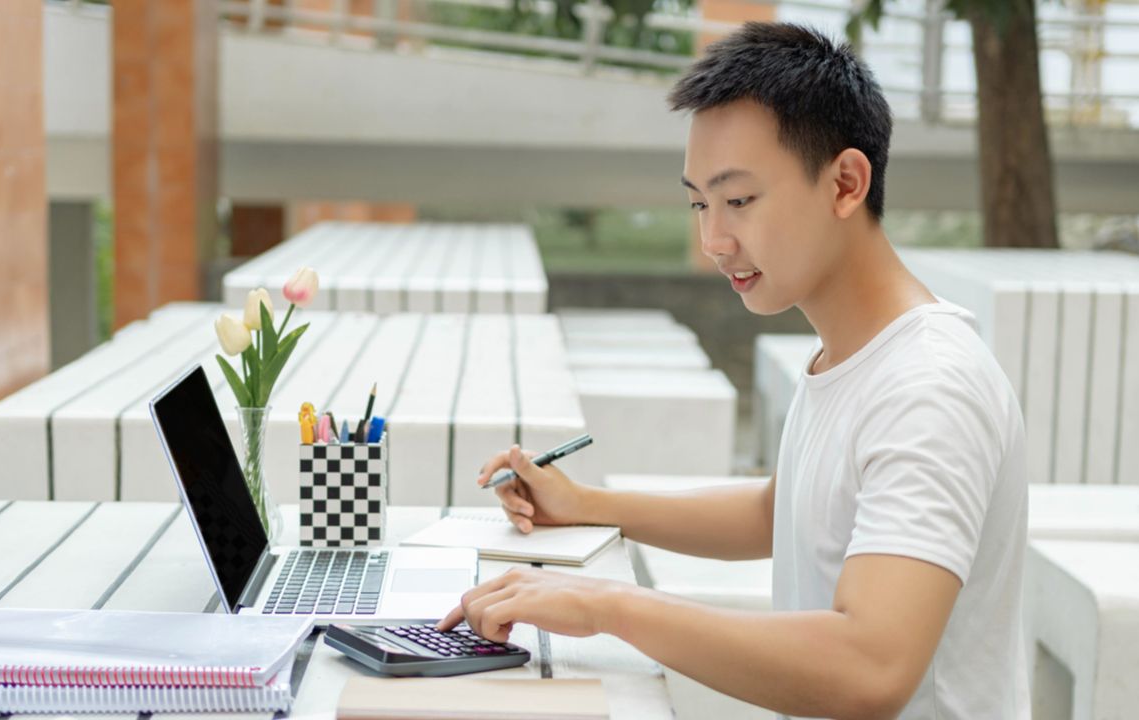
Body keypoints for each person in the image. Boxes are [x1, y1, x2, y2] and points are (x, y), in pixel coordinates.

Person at [438, 22, 1029, 720]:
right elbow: (783, 512)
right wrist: (589, 506)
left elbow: (871, 668)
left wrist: (609, 605)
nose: (713, 240)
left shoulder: (929, 389)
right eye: (698, 202)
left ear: (845, 182)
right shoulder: (852, 355)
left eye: (739, 200)